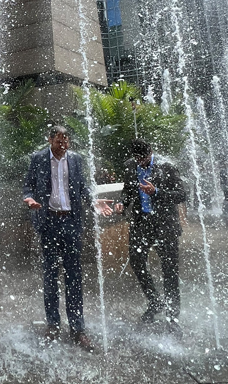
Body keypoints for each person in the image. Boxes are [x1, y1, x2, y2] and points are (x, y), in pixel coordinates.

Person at [23, 126, 112, 351]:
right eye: (58, 142)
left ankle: (77, 328)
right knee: (51, 275)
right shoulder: (38, 158)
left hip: (71, 222)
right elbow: (27, 187)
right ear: (50, 139)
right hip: (49, 222)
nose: (63, 146)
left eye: (66, 142)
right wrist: (30, 200)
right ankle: (53, 324)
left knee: (74, 276)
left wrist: (93, 201)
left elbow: (82, 187)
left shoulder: (75, 160)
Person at [115, 138, 186, 337]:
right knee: (137, 262)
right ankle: (155, 301)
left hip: (165, 226)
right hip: (141, 224)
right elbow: (128, 190)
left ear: (150, 152)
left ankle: (173, 316)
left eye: (144, 159)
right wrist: (122, 203)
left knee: (169, 270)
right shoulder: (130, 166)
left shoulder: (167, 167)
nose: (140, 163)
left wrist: (156, 192)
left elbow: (181, 194)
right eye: (137, 159)